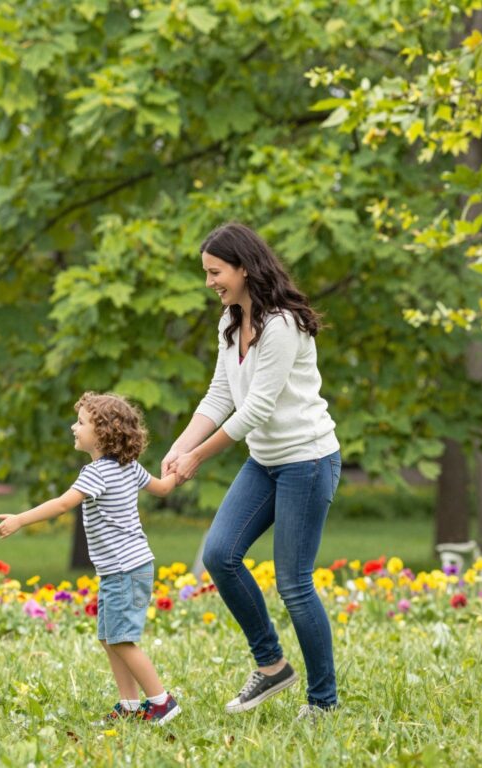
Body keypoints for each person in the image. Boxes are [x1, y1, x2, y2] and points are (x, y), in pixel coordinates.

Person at [161, 222, 342, 722]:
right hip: (265, 462)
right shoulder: (230, 322)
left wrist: (199, 457)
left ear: (243, 268)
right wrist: (179, 446)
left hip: (306, 461)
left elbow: (257, 407)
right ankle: (272, 664)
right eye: (207, 273)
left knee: (294, 583)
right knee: (220, 555)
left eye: (216, 272)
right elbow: (221, 395)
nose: (210, 283)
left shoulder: (282, 324)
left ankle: (323, 701)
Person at [0, 392, 181, 725]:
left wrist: (21, 519)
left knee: (122, 640)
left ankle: (161, 702)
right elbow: (163, 489)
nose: (73, 427)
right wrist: (178, 471)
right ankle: (129, 706)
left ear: (103, 432)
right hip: (124, 569)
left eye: (80, 423)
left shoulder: (96, 473)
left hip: (126, 569)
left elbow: (64, 504)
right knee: (109, 638)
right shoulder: (129, 467)